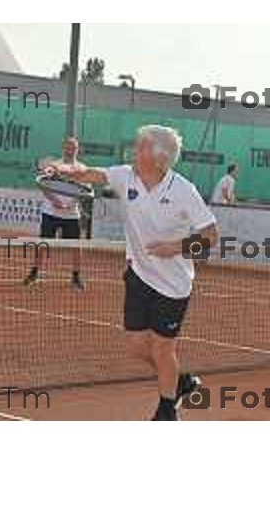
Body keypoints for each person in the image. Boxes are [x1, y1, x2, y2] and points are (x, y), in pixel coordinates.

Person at [51, 125, 219, 421]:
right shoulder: (125, 175)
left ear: (159, 156)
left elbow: (211, 235)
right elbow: (90, 174)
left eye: (141, 146)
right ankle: (179, 382)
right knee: (137, 346)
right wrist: (62, 168)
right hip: (139, 274)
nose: (133, 150)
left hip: (174, 284)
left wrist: (177, 247)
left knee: (163, 348)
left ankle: (166, 412)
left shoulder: (183, 190)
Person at [24, 136, 85, 290]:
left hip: (71, 215)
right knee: (43, 244)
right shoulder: (53, 166)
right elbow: (44, 185)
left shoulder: (83, 169)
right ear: (63, 148)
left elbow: (83, 191)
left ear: (77, 150)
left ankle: (76, 276)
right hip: (50, 212)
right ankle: (34, 272)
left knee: (76, 246)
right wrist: (54, 201)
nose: (70, 150)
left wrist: (70, 204)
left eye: (74, 147)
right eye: (68, 147)